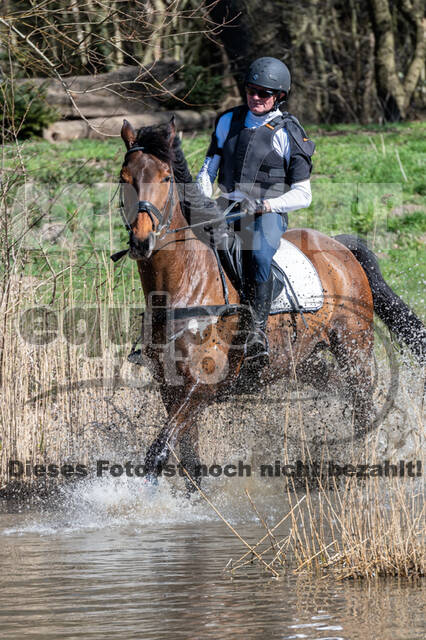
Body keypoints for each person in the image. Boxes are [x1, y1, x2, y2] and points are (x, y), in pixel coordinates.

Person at [196, 57, 315, 369]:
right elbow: (209, 170)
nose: (256, 97)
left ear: (279, 97)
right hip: (227, 209)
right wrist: (199, 200)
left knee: (259, 254)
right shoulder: (228, 122)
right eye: (251, 90)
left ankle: (257, 334)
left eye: (264, 93)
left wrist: (268, 205)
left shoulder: (287, 132)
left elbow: (304, 194)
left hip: (267, 214)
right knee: (183, 249)